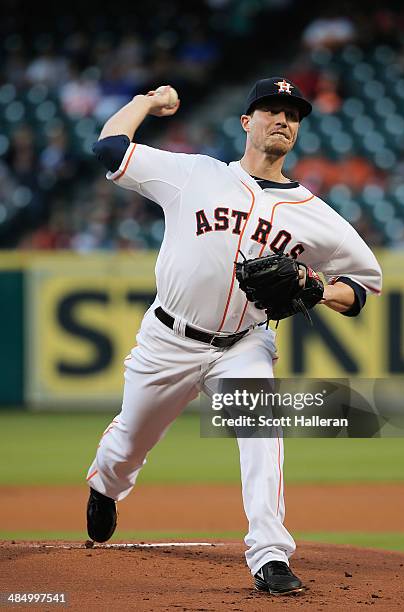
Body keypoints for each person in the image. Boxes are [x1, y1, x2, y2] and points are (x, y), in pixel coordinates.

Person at [86, 77, 382, 595]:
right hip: (168, 340)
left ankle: (270, 556)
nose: (283, 120)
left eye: (292, 115)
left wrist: (315, 286)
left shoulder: (318, 217)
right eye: (271, 110)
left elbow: (362, 289)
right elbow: (111, 148)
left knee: (262, 437)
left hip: (244, 345)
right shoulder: (194, 174)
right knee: (129, 444)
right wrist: (146, 103)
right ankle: (106, 486)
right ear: (247, 122)